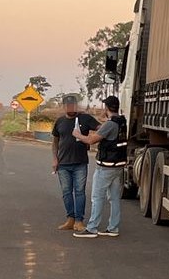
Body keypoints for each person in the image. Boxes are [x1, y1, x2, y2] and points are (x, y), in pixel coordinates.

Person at [73, 95, 127, 239]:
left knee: (97, 197)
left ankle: (92, 228)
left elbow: (91, 140)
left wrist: (77, 134)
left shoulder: (110, 125)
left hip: (106, 167)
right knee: (114, 199)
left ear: (107, 108)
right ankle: (113, 228)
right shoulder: (121, 122)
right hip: (118, 166)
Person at [50, 94, 98, 232]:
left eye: (73, 105)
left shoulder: (85, 118)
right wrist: (55, 159)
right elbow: (55, 142)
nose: (71, 107)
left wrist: (90, 138)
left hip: (80, 163)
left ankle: (79, 221)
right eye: (68, 105)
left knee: (79, 192)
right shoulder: (60, 122)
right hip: (63, 164)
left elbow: (101, 128)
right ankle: (70, 219)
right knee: (66, 192)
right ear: (64, 106)